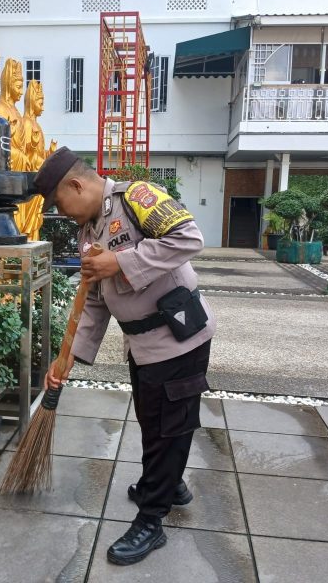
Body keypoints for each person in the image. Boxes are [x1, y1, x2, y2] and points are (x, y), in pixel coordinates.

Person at [35, 147, 216, 566]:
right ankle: (169, 486)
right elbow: (94, 301)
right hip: (142, 345)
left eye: (61, 204)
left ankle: (151, 521)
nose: (63, 214)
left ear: (77, 185)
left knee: (168, 428)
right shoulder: (87, 234)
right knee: (153, 422)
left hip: (179, 338)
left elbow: (189, 238)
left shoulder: (137, 197)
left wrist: (122, 260)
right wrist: (69, 360)